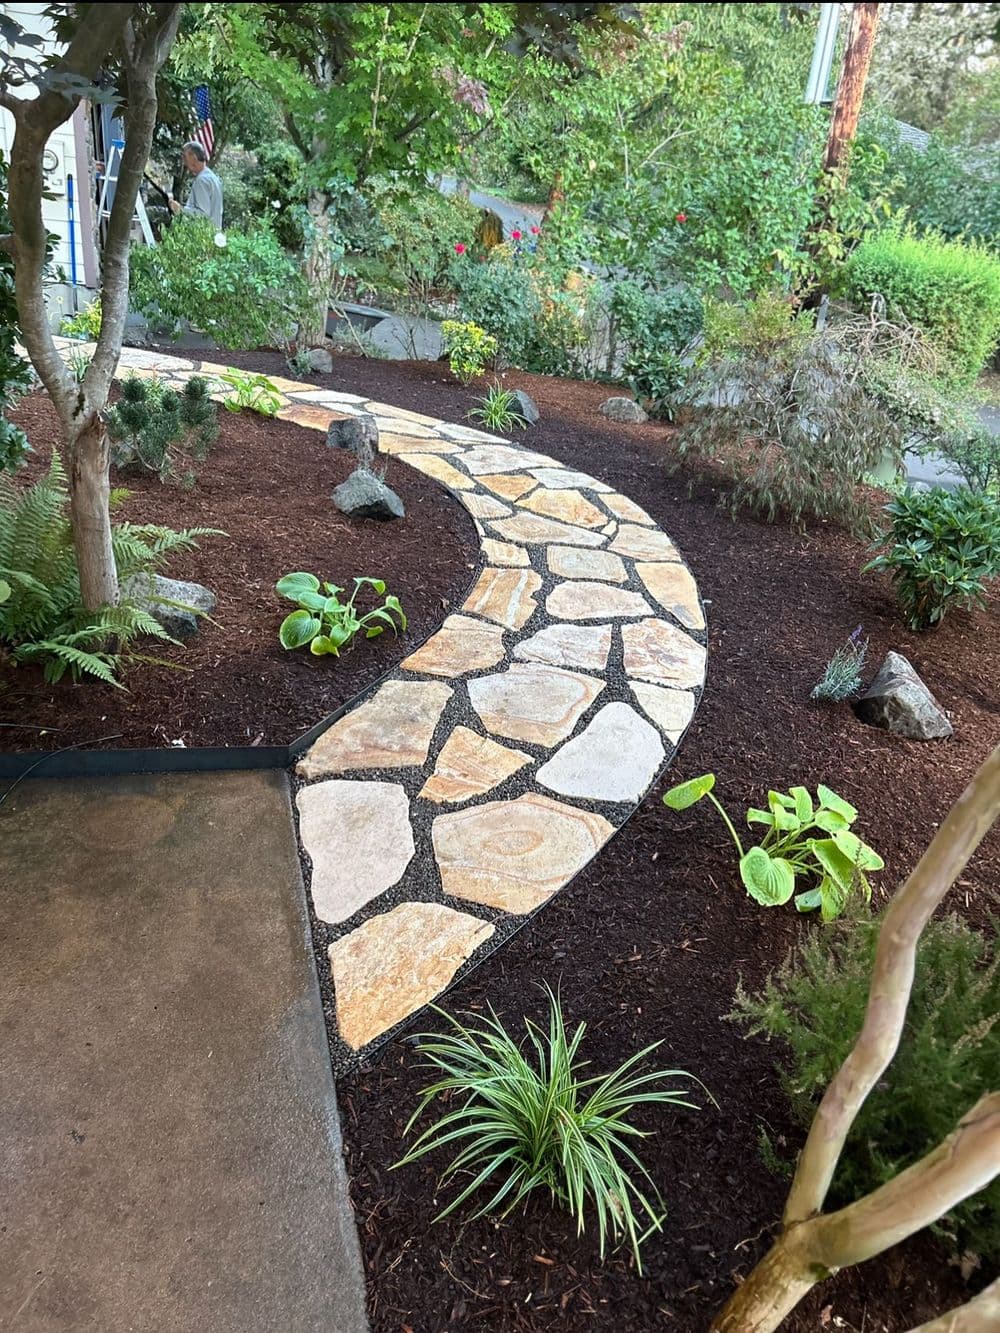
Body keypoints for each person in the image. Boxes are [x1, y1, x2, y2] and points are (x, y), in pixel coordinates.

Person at [169, 141, 223, 229]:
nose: (184, 163)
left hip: (204, 237)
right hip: (214, 234)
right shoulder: (213, 178)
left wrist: (180, 210)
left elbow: (203, 215)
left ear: (193, 158)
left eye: (185, 158)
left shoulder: (201, 180)